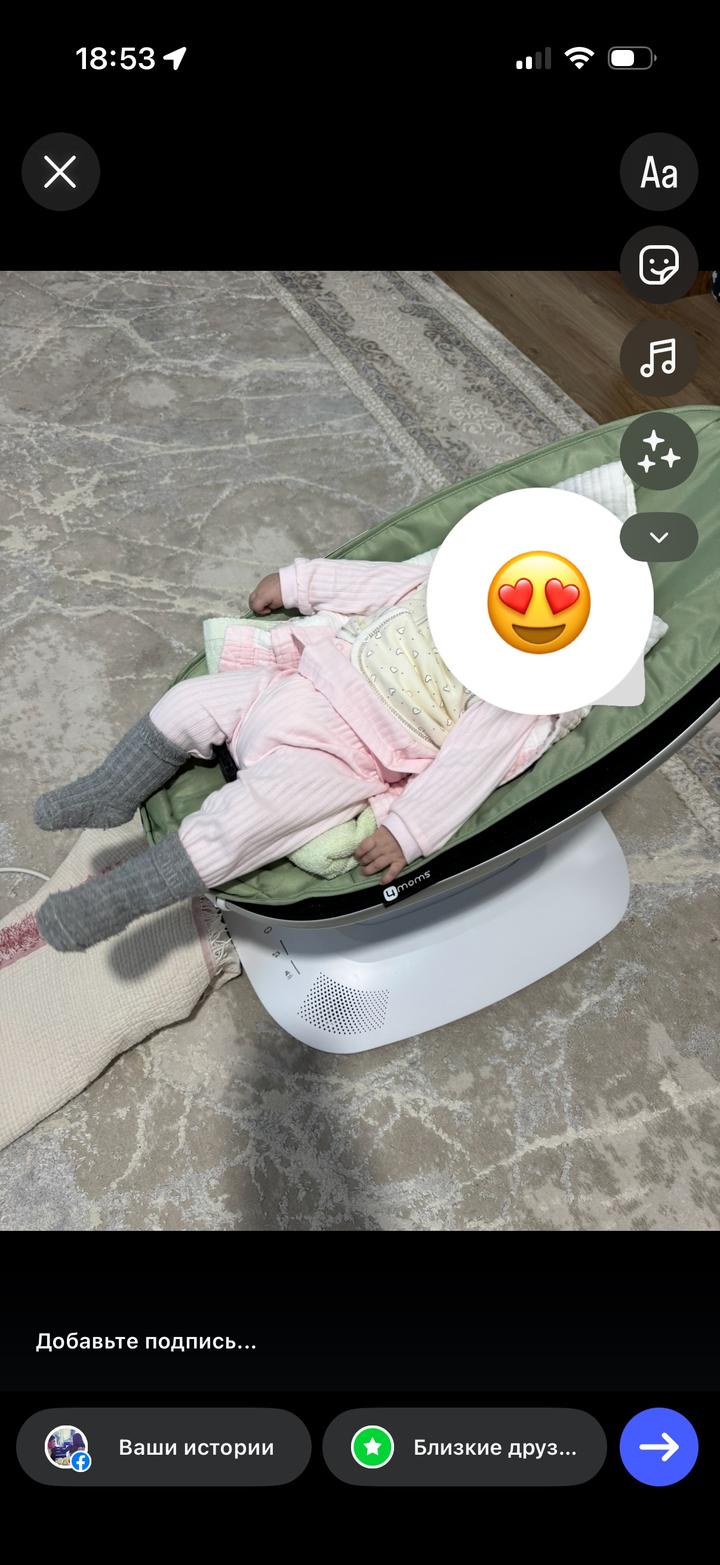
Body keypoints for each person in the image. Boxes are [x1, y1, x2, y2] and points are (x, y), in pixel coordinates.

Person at [33, 553, 550, 952]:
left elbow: (468, 765)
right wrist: (296, 583)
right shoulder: (439, 583)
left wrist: (408, 830)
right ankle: (111, 790)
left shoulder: (510, 689)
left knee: (243, 821)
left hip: (346, 755)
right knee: (188, 703)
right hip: (297, 683)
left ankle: (116, 899)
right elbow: (364, 582)